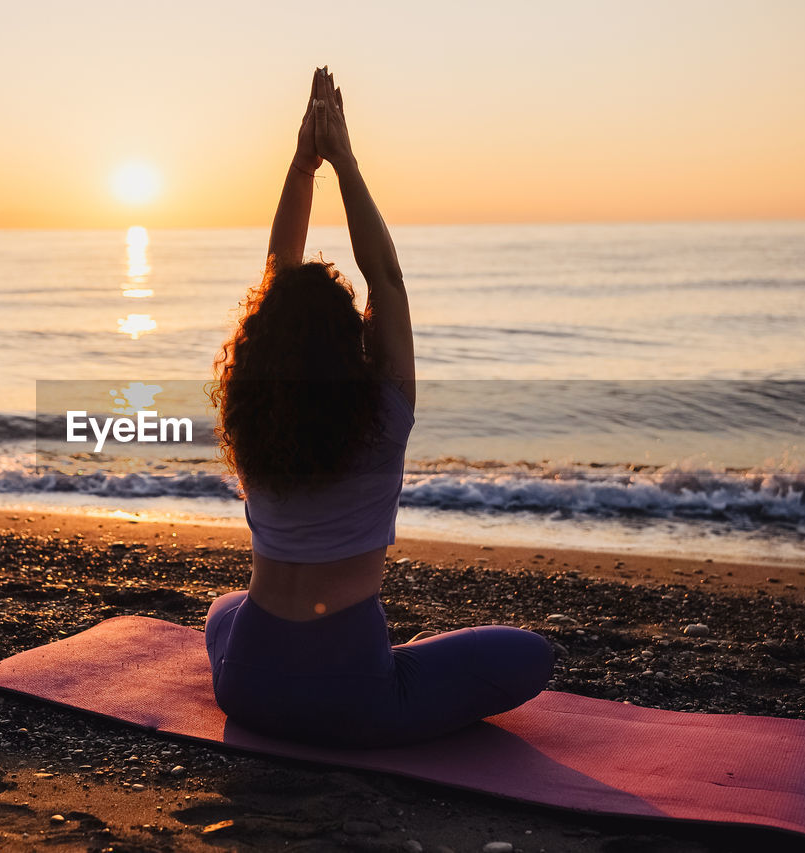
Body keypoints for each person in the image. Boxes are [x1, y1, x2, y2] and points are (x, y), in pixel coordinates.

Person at [205, 67, 554, 748]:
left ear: (259, 347)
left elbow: (277, 273)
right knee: (530, 654)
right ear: (352, 339)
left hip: (245, 687)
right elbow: (386, 279)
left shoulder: (252, 421)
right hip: (354, 704)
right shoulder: (384, 413)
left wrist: (301, 167)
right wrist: (343, 160)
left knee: (225, 610)